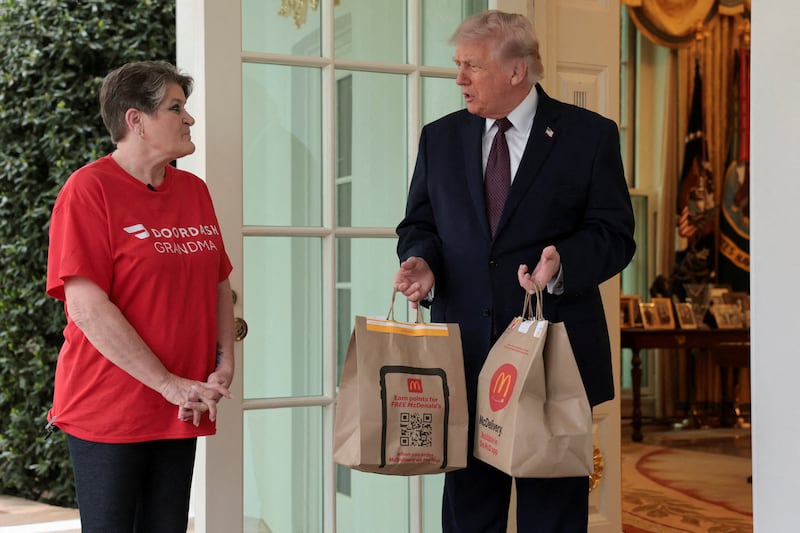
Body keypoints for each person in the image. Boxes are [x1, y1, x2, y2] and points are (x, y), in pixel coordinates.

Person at [394, 10, 635, 533]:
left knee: (552, 518)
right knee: (469, 516)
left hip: (555, 362)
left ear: (517, 71)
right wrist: (421, 261)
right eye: (458, 65)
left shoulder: (589, 136)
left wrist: (562, 262)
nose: (459, 79)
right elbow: (419, 222)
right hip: (467, 357)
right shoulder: (440, 137)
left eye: (472, 67)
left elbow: (615, 235)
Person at [45, 61, 234, 532]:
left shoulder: (193, 191)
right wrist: (169, 382)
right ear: (136, 120)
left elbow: (218, 282)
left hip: (181, 405)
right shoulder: (89, 191)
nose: (189, 119)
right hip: (111, 410)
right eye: (176, 108)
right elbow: (87, 309)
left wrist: (224, 360)